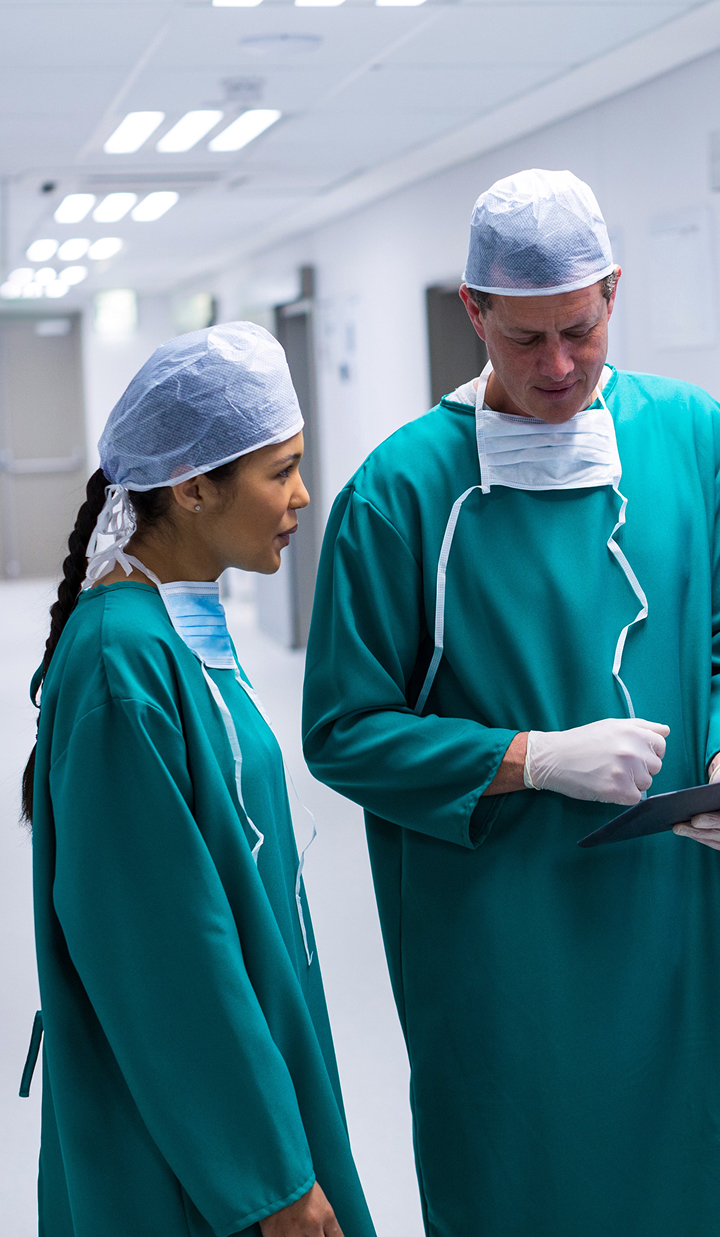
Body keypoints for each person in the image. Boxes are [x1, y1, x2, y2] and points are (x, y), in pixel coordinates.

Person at [302, 169, 720, 1236]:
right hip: (503, 936)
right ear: (472, 310)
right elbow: (344, 729)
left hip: (675, 921)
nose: (561, 366)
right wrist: (530, 757)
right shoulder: (402, 492)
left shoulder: (693, 438)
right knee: (518, 1176)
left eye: (578, 330)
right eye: (525, 340)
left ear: (614, 293)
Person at [21, 322, 376, 1237]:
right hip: (192, 1134)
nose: (303, 495)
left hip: (251, 1067)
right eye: (280, 471)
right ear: (191, 487)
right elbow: (161, 955)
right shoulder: (119, 664)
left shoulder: (180, 628)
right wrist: (270, 1183)